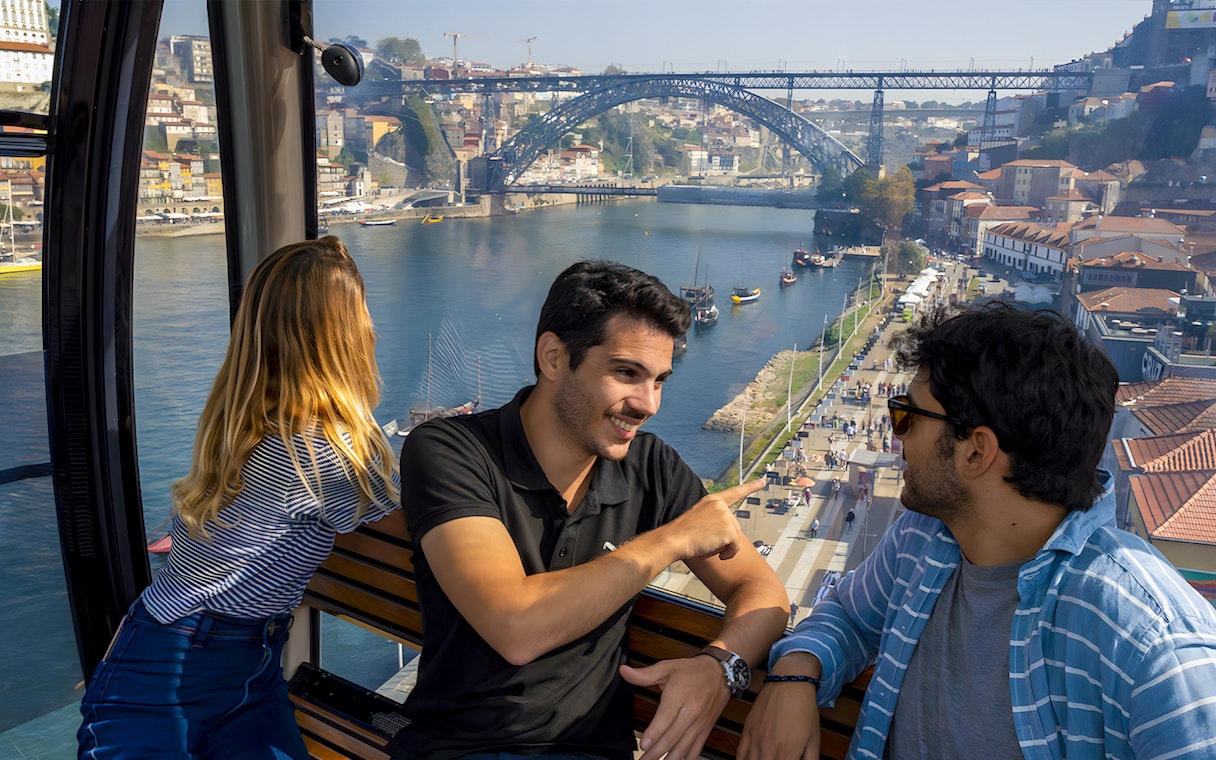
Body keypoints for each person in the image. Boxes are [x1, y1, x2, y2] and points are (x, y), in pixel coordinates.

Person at [739, 303, 1216, 760]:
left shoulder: (1154, 646)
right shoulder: (927, 536)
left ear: (975, 452)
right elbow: (847, 613)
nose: (895, 434)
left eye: (907, 414)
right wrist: (797, 672)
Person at [390, 260, 788, 760]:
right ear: (554, 357)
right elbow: (516, 627)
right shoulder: (450, 449)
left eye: (660, 380)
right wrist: (673, 539)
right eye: (626, 373)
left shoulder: (651, 467)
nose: (649, 405)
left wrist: (720, 667)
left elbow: (763, 591)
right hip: (456, 748)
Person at [77, 237, 400, 759]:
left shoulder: (240, 422)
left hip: (199, 660)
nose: (372, 327)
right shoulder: (332, 454)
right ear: (341, 336)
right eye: (362, 313)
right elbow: (425, 528)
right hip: (185, 669)